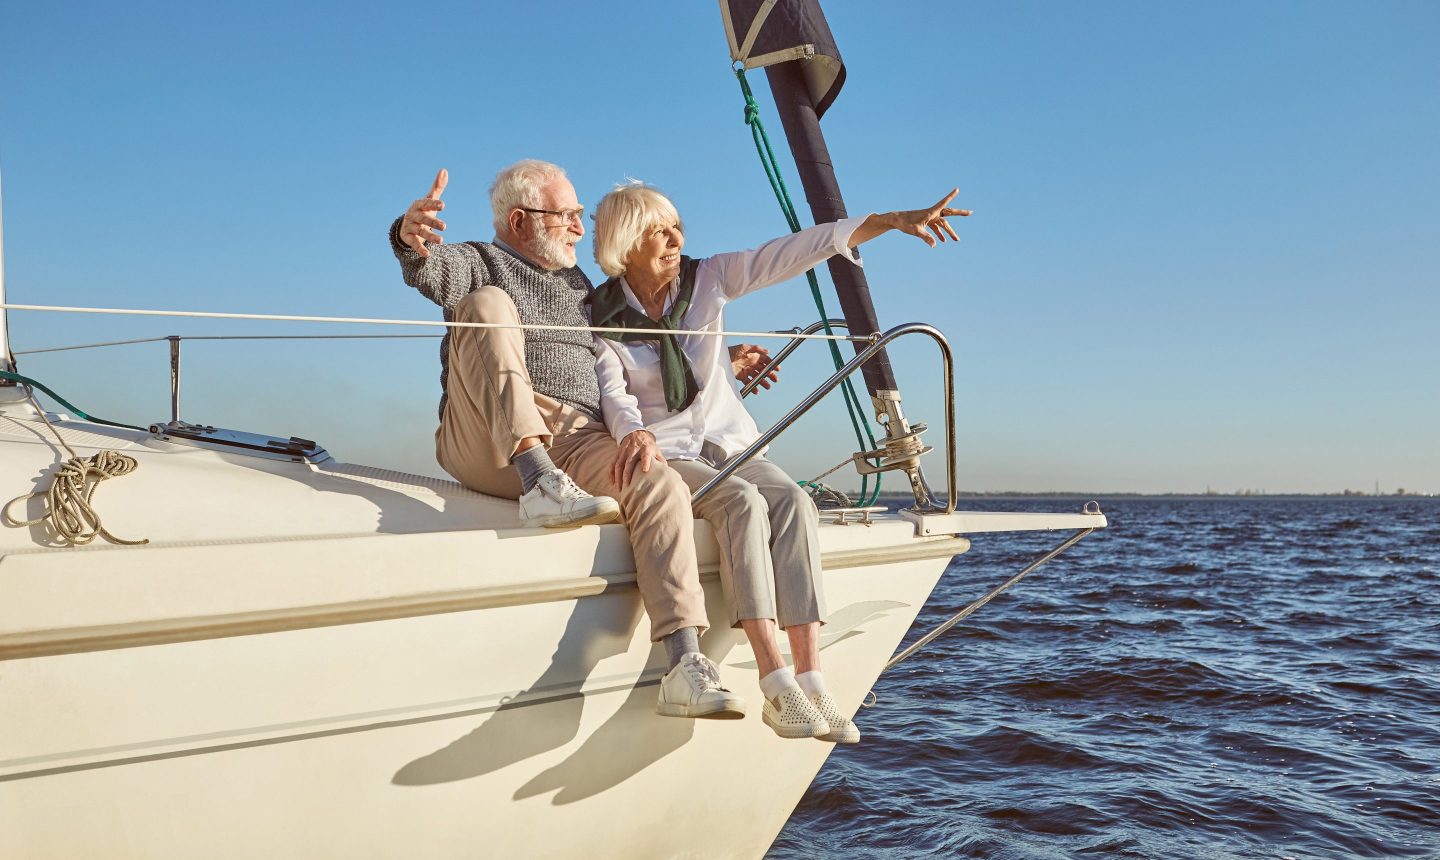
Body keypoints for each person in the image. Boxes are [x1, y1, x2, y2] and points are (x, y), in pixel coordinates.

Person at [588, 181, 969, 742]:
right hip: (667, 450)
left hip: (728, 438)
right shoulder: (602, 313)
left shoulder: (707, 278)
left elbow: (789, 253)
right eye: (658, 231)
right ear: (625, 241)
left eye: (676, 226)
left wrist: (888, 220)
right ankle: (775, 681)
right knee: (740, 501)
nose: (675, 239)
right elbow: (614, 392)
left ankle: (812, 678)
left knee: (791, 499)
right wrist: (633, 433)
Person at [392, 161, 769, 720]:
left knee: (658, 481)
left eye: (577, 215)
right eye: (566, 215)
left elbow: (636, 362)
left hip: (577, 435)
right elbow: (435, 273)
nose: (578, 227)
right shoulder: (480, 261)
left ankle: (684, 665)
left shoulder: (580, 288)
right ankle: (537, 478)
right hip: (488, 436)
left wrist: (723, 368)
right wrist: (409, 241)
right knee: (487, 305)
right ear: (519, 221)